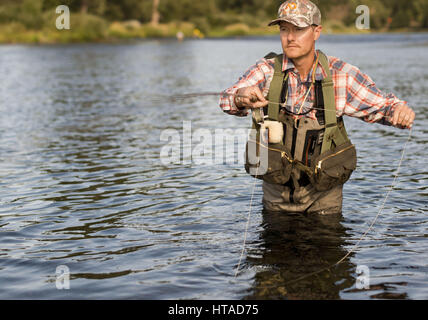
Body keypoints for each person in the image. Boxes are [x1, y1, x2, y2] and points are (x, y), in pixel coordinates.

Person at [219, 0, 415, 215]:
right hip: (275, 198)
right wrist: (241, 97)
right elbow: (227, 99)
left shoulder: (342, 75)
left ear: (316, 31)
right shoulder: (265, 71)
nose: (290, 37)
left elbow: (384, 106)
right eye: (284, 30)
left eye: (299, 29)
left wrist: (399, 111)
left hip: (325, 200)